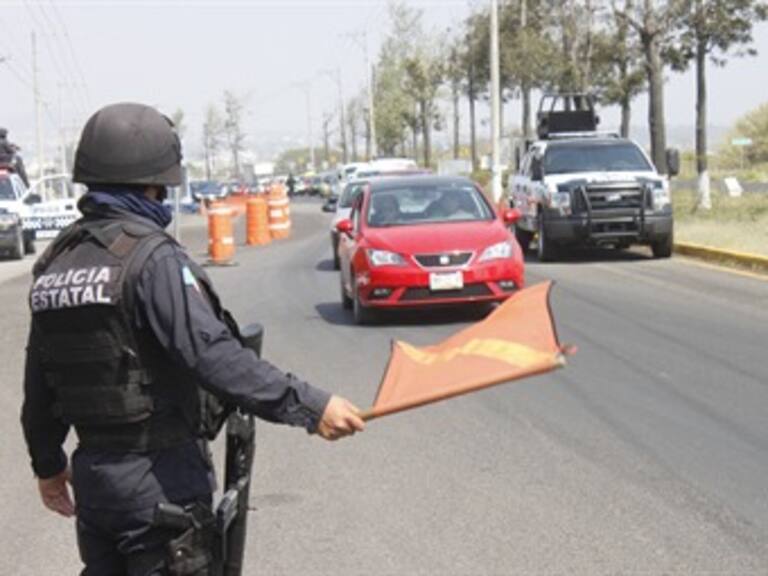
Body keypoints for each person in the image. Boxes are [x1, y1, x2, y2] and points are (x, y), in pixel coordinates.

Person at [20, 102, 365, 576]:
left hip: (96, 483)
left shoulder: (56, 264)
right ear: (152, 182)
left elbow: (41, 384)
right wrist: (310, 405)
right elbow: (214, 356)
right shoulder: (152, 260)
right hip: (160, 485)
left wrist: (46, 464)